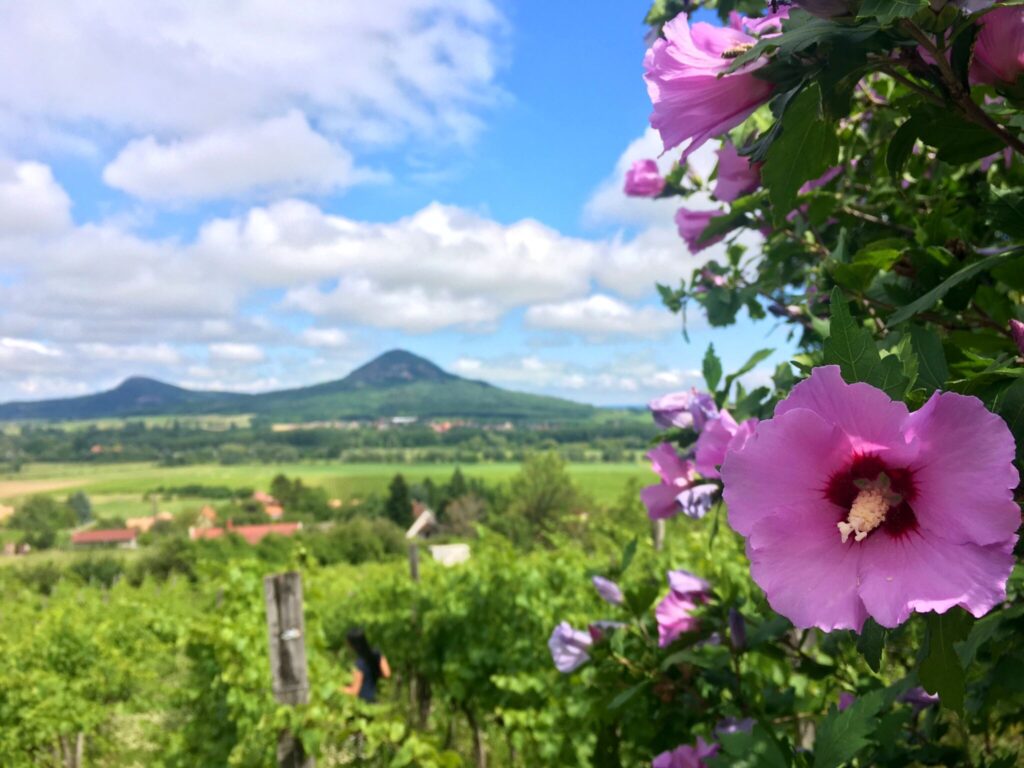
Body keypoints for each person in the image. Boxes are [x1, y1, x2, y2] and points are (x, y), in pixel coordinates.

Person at [342, 627, 390, 703]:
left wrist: (336, 688)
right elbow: (387, 674)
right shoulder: (377, 654)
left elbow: (354, 691)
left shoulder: (359, 664)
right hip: (374, 700)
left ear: (352, 645)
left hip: (362, 704)